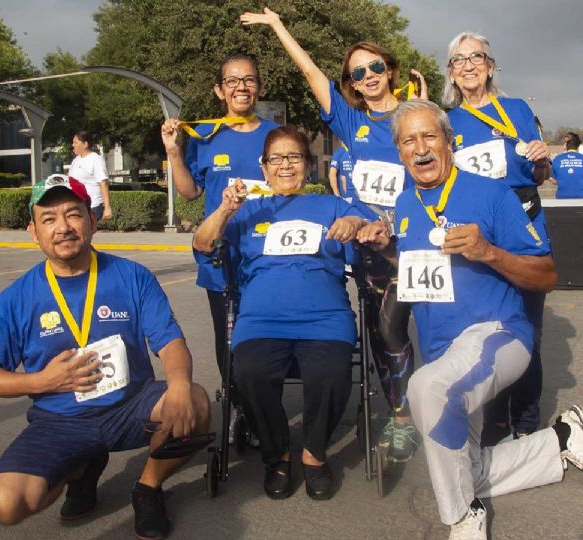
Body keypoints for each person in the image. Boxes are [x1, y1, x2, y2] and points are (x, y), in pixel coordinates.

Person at [358, 100, 583, 539]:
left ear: (448, 141)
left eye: (429, 136)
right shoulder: (405, 201)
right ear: (398, 152)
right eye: (408, 140)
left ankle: (463, 516)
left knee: (424, 389)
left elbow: (546, 275)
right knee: (457, 465)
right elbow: (420, 267)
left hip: (498, 334)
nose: (420, 149)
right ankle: (561, 440)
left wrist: (487, 251)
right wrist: (385, 248)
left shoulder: (491, 194)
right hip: (446, 351)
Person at [0, 175, 210, 540]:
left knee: (196, 401)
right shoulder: (15, 299)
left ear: (92, 221)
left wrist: (177, 386)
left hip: (130, 405)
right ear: (34, 232)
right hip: (59, 421)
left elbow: (170, 341)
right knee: (3, 503)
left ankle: (148, 488)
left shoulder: (131, 276)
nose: (62, 227)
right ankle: (79, 468)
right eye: (48, 219)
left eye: (73, 215)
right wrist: (42, 382)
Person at [242, 6, 428, 463]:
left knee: (433, 328)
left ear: (391, 71)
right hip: (370, 248)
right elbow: (309, 73)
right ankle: (403, 418)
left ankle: (443, 404)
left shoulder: (414, 118)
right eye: (357, 71)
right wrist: (278, 26)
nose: (367, 75)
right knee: (385, 332)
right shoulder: (351, 122)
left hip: (412, 241)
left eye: (375, 67)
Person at [193, 125, 368, 500]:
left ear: (308, 165)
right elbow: (204, 243)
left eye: (294, 157)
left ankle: (315, 454)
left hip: (325, 319)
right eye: (277, 158)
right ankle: (278, 455)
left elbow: (370, 228)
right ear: (264, 166)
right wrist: (225, 209)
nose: (285, 165)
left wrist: (356, 223)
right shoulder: (247, 210)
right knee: (249, 371)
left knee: (332, 372)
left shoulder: (333, 205)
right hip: (261, 321)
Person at [161, 54, 278, 443]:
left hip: (269, 258)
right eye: (232, 81)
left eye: (248, 80)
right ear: (219, 89)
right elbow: (190, 191)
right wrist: (174, 152)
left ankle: (266, 409)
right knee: (227, 337)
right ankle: (240, 409)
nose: (241, 87)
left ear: (259, 86)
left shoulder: (277, 135)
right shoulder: (205, 136)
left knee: (266, 336)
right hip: (221, 259)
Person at [442, 31, 551, 440]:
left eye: (476, 57)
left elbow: (540, 173)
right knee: (483, 333)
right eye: (459, 60)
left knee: (526, 333)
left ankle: (525, 423)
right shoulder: (447, 122)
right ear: (451, 74)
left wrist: (543, 161)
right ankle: (494, 420)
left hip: (521, 228)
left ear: (490, 66)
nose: (468, 65)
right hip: (476, 237)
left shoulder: (518, 109)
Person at [68, 131, 112, 221]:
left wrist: (107, 207)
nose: (73, 145)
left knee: (82, 232)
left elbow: (103, 183)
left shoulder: (95, 159)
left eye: (75, 142)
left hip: (93, 206)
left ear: (85, 144)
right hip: (78, 205)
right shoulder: (76, 160)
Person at [551, 132, 583, 199]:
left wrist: (562, 181)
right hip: (582, 196)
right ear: (577, 147)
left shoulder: (557, 159)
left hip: (562, 196)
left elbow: (551, 178)